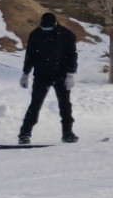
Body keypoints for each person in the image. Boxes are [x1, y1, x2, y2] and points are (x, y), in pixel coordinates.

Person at [18, 11, 79, 145]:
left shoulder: (66, 35)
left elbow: (72, 55)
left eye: (48, 28)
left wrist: (70, 74)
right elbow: (30, 55)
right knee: (35, 104)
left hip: (61, 75)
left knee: (65, 105)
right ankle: (24, 134)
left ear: (55, 25)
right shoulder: (35, 35)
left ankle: (68, 133)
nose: (46, 30)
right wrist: (25, 73)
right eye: (44, 28)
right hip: (41, 74)